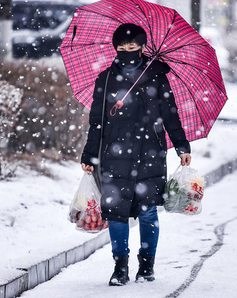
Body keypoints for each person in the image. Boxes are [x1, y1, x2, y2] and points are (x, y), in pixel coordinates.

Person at [81, 23, 192, 286]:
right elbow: (96, 121)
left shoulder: (156, 77)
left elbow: (170, 114)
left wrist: (182, 145)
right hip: (114, 154)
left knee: (148, 211)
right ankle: (120, 267)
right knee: (116, 212)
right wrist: (89, 155)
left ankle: (147, 265)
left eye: (133, 47)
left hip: (150, 152)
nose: (127, 51)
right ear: (115, 48)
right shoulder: (105, 79)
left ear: (143, 47)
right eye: (122, 47)